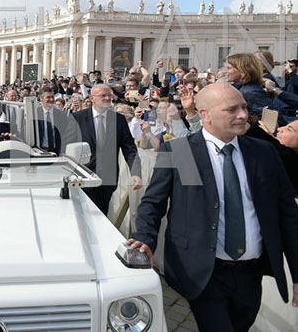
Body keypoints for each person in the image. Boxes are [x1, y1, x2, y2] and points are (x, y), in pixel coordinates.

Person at [128, 83, 298, 332]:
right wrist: (144, 237)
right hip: (204, 272)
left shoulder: (263, 152)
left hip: (252, 274)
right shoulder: (181, 151)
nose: (243, 115)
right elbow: (154, 202)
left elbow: (288, 214)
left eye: (244, 107)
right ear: (205, 115)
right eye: (232, 109)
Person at [72, 84, 142, 214]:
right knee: (82, 216)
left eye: (109, 95)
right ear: (92, 98)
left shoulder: (119, 120)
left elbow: (130, 149)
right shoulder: (77, 118)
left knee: (101, 216)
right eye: (103, 95)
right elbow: (67, 147)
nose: (107, 98)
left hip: (107, 181)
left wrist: (136, 173)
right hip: (83, 179)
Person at [225, 53, 287, 126]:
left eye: (229, 68)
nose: (225, 71)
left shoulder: (251, 91)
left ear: (242, 71)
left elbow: (275, 119)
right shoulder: (240, 88)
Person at [37, 87, 79, 155]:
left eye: (52, 97)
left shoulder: (61, 115)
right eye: (48, 97)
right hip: (40, 152)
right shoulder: (35, 114)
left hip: (57, 152)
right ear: (41, 99)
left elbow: (66, 134)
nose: (51, 99)